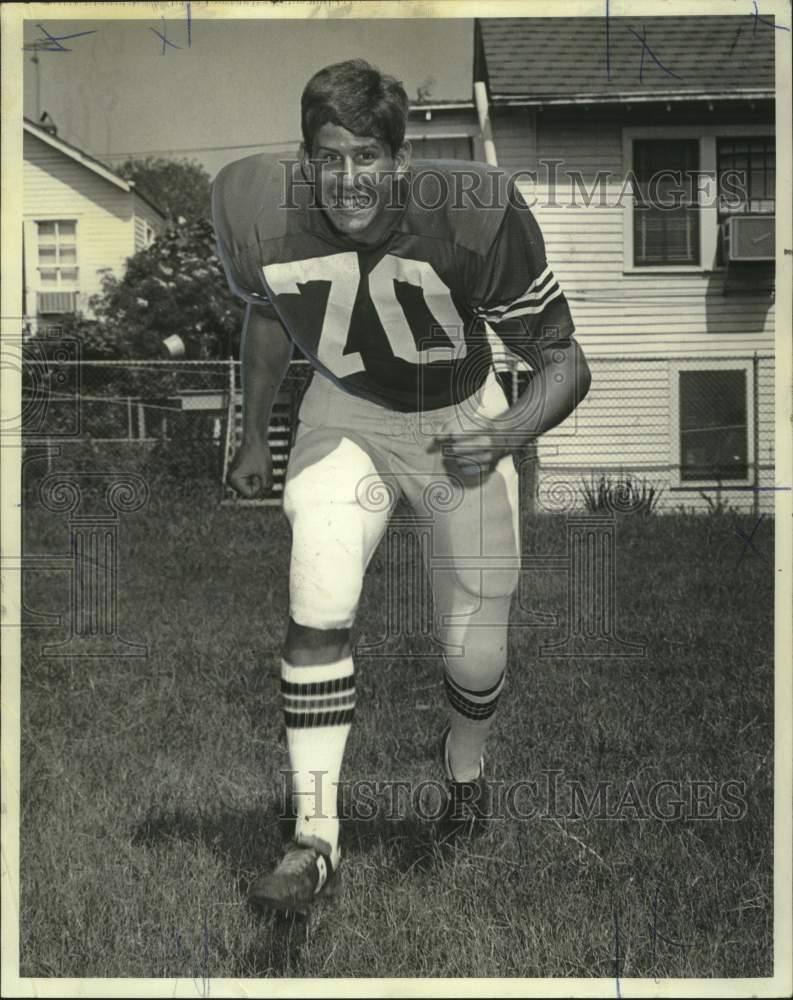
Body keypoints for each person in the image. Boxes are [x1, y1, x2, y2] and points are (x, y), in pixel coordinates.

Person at [211, 58, 591, 915]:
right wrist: (251, 433)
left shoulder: (473, 213)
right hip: (346, 412)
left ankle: (463, 774)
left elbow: (565, 362)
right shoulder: (254, 210)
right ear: (302, 155)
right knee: (318, 584)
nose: (348, 178)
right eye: (328, 156)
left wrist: (501, 434)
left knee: (474, 649)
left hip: (460, 414)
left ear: (401, 156)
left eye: (367, 157)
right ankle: (314, 839)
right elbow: (269, 313)